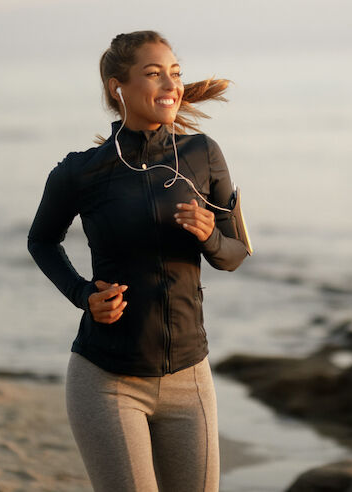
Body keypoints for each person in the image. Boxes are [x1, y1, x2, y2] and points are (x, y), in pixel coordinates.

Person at [27, 31, 250, 492]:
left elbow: (235, 253)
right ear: (117, 87)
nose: (170, 84)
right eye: (153, 74)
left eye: (175, 73)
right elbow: (42, 240)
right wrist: (83, 294)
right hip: (108, 381)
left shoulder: (202, 154)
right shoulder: (81, 171)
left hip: (190, 379)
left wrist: (210, 236)